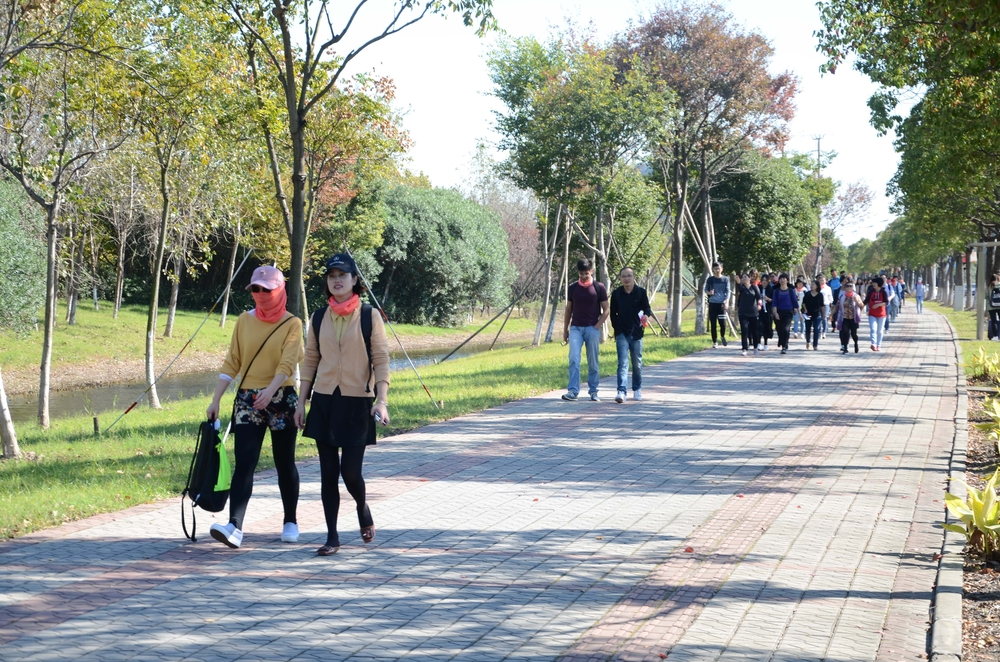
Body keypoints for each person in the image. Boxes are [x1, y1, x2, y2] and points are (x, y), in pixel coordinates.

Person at [295, 253, 390, 556]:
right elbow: (310, 359)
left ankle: (362, 507)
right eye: (331, 275)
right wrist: (301, 402)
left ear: (354, 280)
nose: (336, 280)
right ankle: (332, 537)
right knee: (327, 474)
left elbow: (381, 358)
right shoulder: (319, 316)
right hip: (324, 401)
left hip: (356, 402)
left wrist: (382, 399)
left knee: (350, 473)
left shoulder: (368, 315)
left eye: (342, 275)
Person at [206, 265, 303, 549]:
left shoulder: (292, 323)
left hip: (282, 397)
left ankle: (290, 521)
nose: (260, 294)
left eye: (267, 289)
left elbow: (288, 363)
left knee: (284, 461)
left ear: (280, 290)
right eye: (255, 289)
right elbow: (232, 361)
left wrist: (270, 391)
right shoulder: (244, 321)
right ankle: (234, 526)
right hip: (248, 399)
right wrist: (216, 399)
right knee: (245, 463)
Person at [562, 258, 609, 402]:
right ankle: (573, 391)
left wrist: (598, 325)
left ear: (592, 271)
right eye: (581, 273)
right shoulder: (573, 288)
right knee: (574, 359)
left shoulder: (598, 287)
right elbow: (568, 309)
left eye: (586, 274)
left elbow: (606, 309)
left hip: (592, 329)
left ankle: (594, 391)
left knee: (593, 361)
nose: (583, 276)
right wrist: (565, 330)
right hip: (576, 327)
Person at [610, 266, 652, 403]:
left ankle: (637, 389)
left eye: (629, 276)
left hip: (637, 332)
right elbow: (613, 314)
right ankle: (621, 391)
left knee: (637, 363)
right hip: (622, 332)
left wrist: (646, 315)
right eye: (623, 276)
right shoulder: (616, 294)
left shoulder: (641, 292)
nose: (626, 279)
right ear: (620, 278)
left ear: (634, 277)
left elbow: (647, 308)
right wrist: (617, 328)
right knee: (622, 363)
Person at [833, 280, 865, 354]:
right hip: (844, 318)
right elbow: (836, 306)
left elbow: (862, 305)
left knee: (854, 334)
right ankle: (845, 348)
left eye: (850, 286)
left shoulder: (856, 296)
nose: (848, 288)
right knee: (845, 332)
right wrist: (831, 315)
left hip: (853, 318)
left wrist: (856, 301)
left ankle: (856, 343)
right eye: (847, 286)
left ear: (853, 287)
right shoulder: (842, 296)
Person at [771, 273, 798, 354]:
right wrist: (775, 313)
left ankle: (784, 346)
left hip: (788, 312)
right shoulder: (776, 291)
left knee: (786, 329)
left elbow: (794, 302)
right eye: (781, 279)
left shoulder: (790, 291)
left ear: (787, 280)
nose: (782, 280)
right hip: (779, 312)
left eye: (784, 279)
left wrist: (797, 311)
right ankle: (782, 340)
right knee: (779, 329)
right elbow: (774, 303)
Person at [736, 273, 762, 356]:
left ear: (749, 278)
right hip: (743, 312)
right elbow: (739, 288)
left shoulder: (754, 287)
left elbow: (759, 297)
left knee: (755, 331)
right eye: (742, 277)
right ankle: (744, 348)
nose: (744, 279)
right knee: (744, 330)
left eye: (745, 277)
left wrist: (759, 305)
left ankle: (755, 347)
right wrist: (738, 282)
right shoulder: (742, 287)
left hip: (753, 312)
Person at [706, 262, 730, 348]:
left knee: (723, 324)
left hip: (722, 304)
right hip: (712, 303)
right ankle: (715, 341)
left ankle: (722, 336)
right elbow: (706, 290)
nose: (717, 270)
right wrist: (710, 293)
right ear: (713, 269)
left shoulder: (725, 279)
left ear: (722, 269)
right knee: (713, 323)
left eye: (719, 268)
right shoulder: (710, 280)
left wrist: (727, 302)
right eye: (715, 268)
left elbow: (727, 291)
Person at [865, 276, 889, 351]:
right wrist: (860, 306)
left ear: (879, 284)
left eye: (875, 283)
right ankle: (873, 344)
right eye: (873, 283)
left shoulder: (883, 292)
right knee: (873, 329)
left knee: (880, 330)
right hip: (872, 314)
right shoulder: (871, 291)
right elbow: (866, 301)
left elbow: (886, 302)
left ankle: (879, 345)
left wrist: (878, 305)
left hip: (881, 315)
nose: (873, 284)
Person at [801, 280, 825, 350]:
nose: (811, 286)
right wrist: (805, 309)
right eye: (811, 284)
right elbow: (803, 303)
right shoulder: (807, 294)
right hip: (808, 314)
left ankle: (815, 345)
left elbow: (822, 305)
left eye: (813, 285)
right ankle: (808, 341)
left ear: (817, 286)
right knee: (808, 329)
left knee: (816, 329)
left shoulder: (820, 295)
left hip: (817, 314)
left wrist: (823, 314)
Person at [757, 270, 774, 351]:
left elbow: (774, 300)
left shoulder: (771, 289)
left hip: (768, 311)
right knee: (760, 326)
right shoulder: (758, 288)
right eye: (762, 280)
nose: (764, 282)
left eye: (765, 281)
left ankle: (766, 343)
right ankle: (759, 343)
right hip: (759, 311)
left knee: (767, 327)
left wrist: (769, 299)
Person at [818, 275, 833, 339]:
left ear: (825, 281)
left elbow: (830, 296)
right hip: (818, 305)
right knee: (819, 318)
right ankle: (819, 332)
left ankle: (824, 331)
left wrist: (831, 303)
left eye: (823, 280)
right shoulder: (817, 288)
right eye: (820, 280)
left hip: (825, 305)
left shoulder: (828, 288)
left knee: (824, 318)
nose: (822, 282)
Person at [988, 274, 1000, 341]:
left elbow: (986, 296)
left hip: (991, 306)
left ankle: (995, 337)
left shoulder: (989, 286)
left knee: (993, 321)